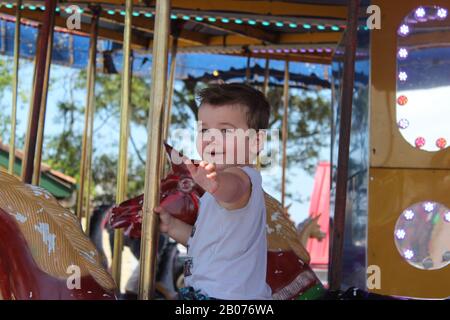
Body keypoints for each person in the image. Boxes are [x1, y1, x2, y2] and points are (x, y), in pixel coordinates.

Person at [154, 83, 273, 300]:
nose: (211, 138)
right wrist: (171, 226)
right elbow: (201, 243)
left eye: (225, 131)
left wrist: (216, 183)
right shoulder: (212, 194)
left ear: (256, 142)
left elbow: (233, 189)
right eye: (204, 130)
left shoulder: (243, 179)